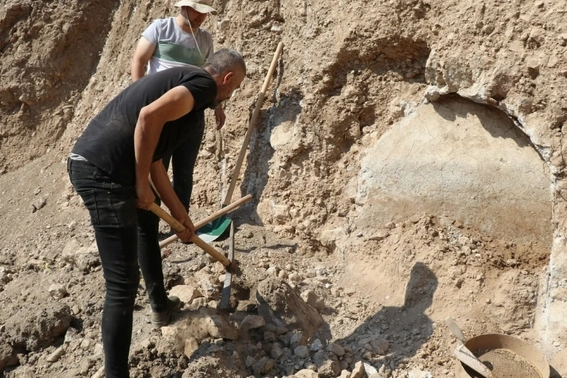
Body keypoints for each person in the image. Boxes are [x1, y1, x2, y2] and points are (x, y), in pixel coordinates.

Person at [67, 49, 246, 378]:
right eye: (233, 91)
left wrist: (180, 215)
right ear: (227, 79)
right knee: (122, 284)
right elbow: (147, 117)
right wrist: (139, 184)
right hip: (104, 174)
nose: (229, 97)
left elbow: (154, 160)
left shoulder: (183, 82)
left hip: (97, 167)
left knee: (135, 252)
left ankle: (158, 310)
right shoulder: (202, 86)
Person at [131, 0, 225, 213]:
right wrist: (138, 96)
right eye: (197, 11)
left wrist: (216, 105)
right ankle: (151, 222)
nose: (201, 17)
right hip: (161, 112)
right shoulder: (160, 28)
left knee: (185, 169)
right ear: (184, 7)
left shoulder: (205, 38)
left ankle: (182, 222)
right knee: (157, 165)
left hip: (192, 112)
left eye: (205, 12)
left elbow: (209, 75)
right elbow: (139, 60)